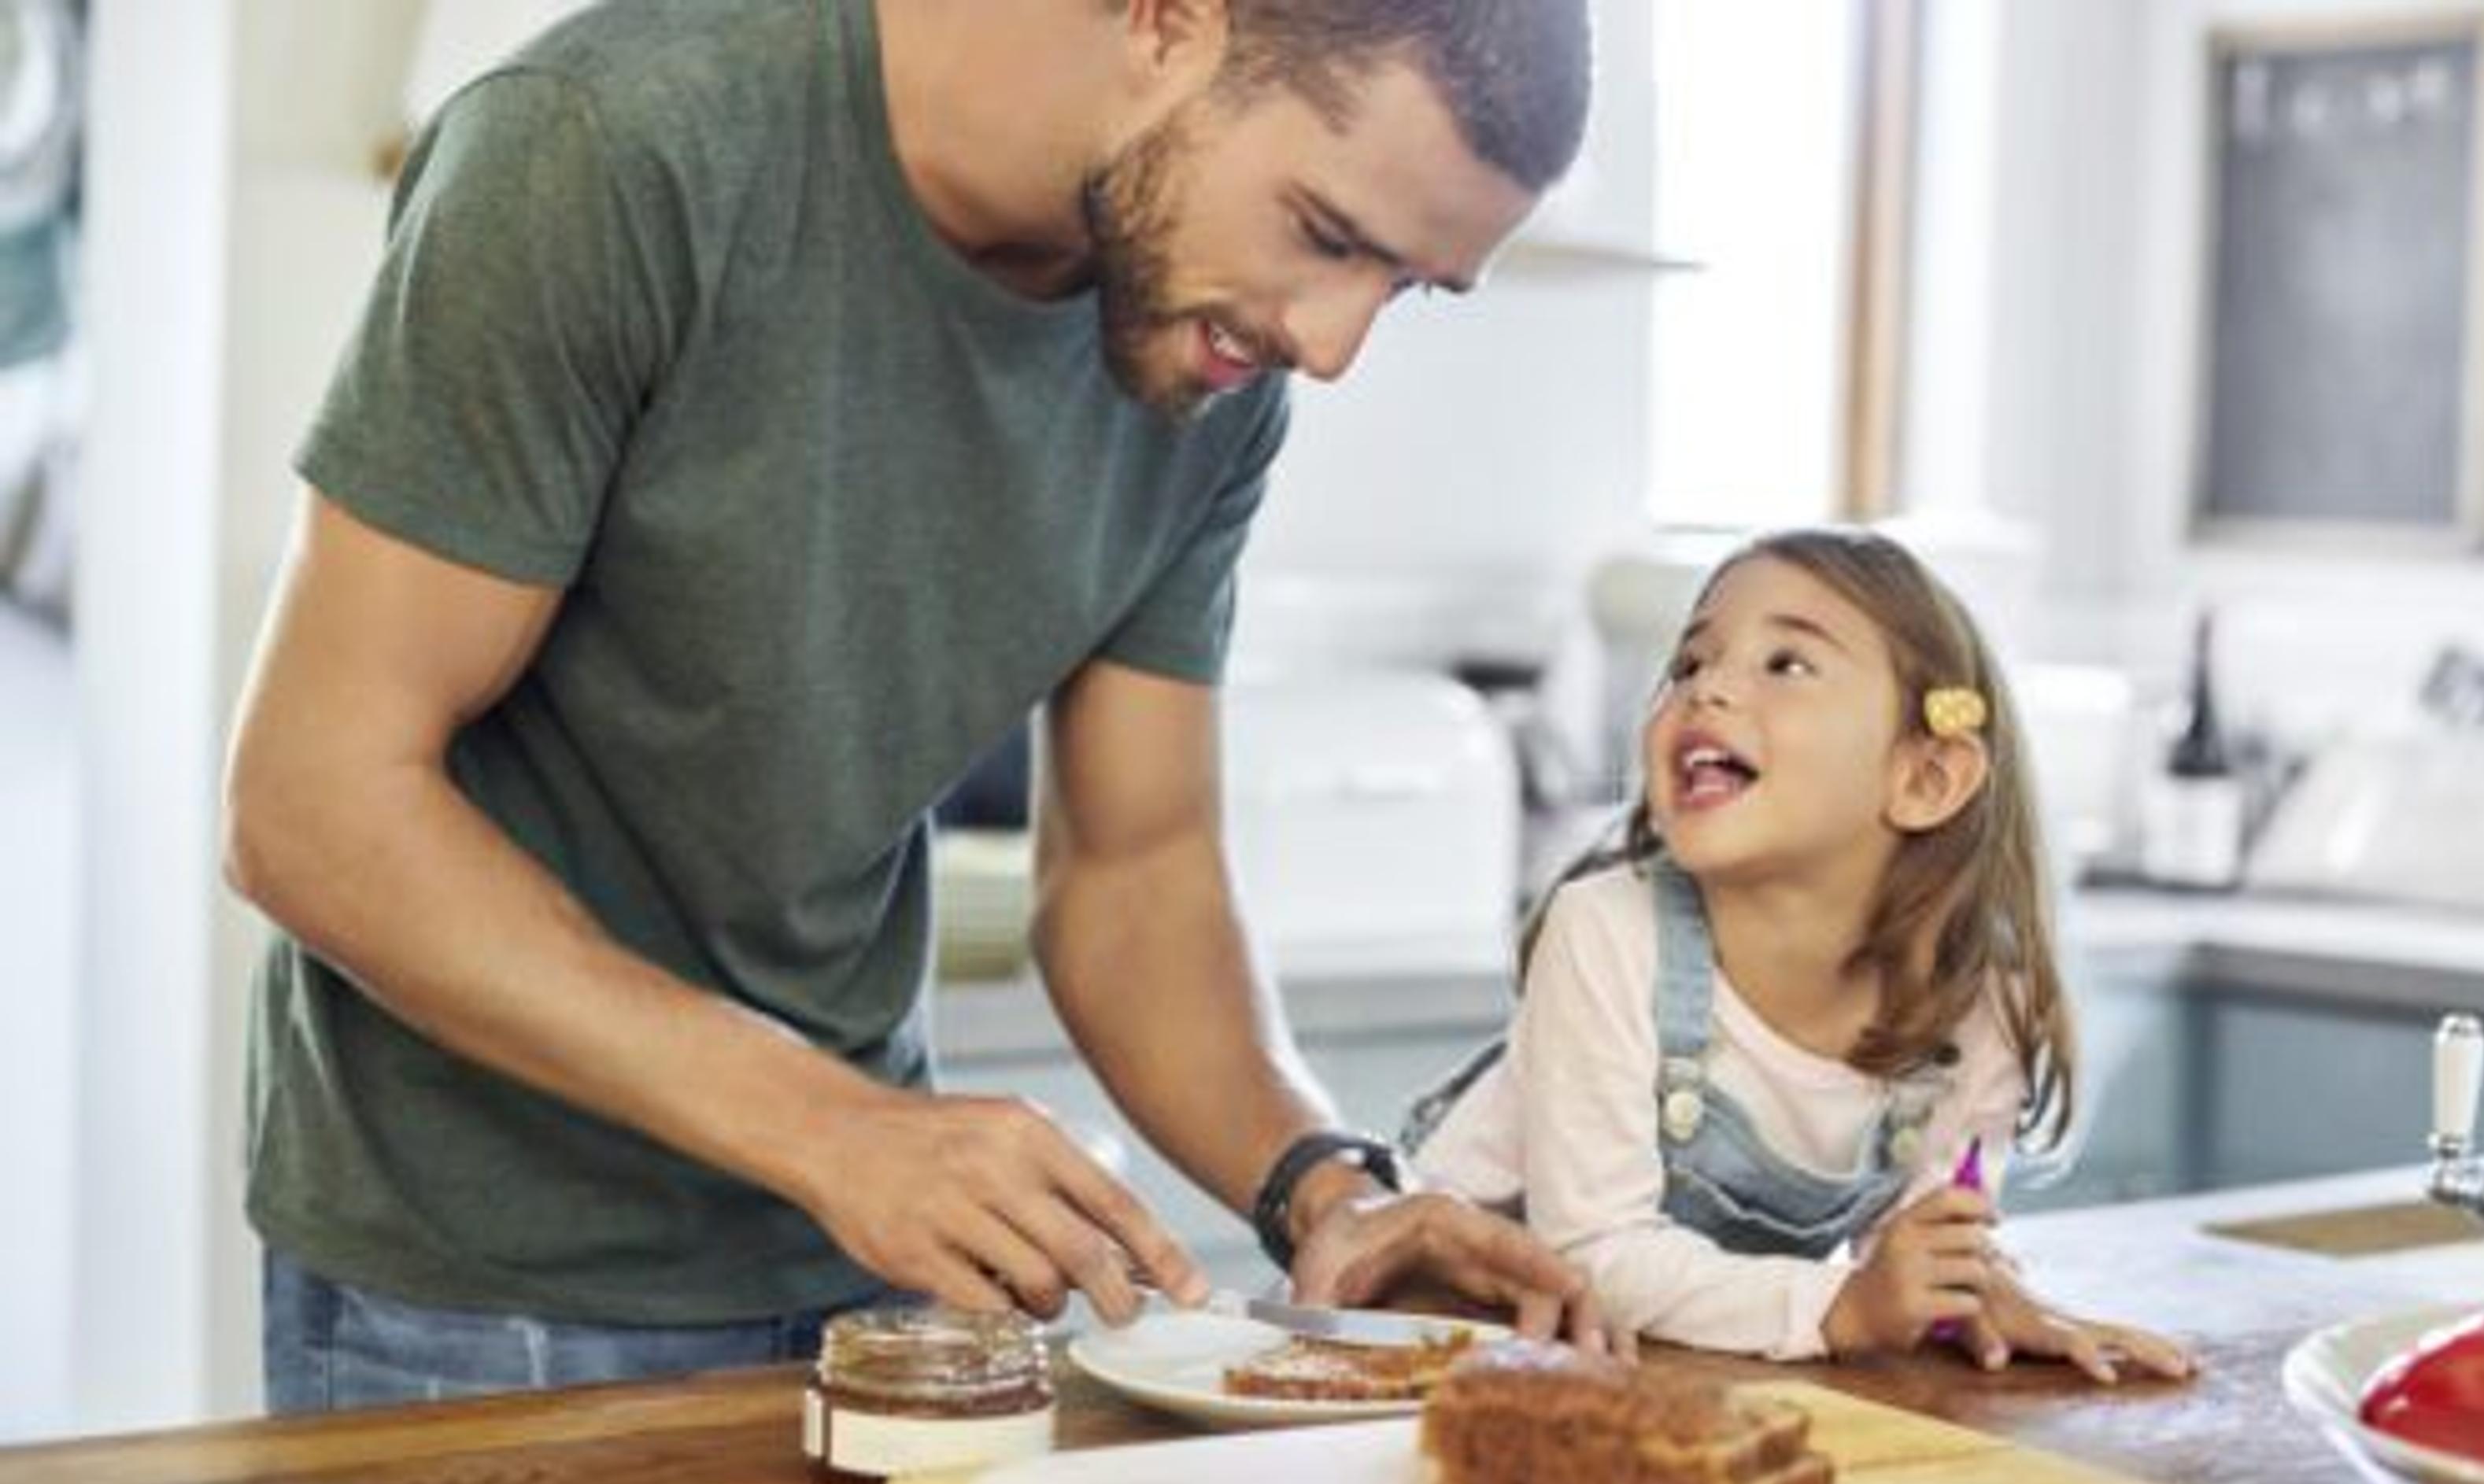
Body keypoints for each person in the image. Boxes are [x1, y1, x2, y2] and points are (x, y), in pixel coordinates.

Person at [222, 0, 1599, 1412]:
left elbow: (1138, 873)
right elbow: (312, 804)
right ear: (1169, 22)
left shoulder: (1207, 352)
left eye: (1410, 286)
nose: (1332, 344)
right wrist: (840, 1130)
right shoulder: (611, 152)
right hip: (485, 1293)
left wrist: (1324, 1185)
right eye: (1327, 232)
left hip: (870, 1277)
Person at [1404, 528, 2198, 1378]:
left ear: (1926, 778)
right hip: (1433, 1339)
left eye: (1785, 664)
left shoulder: (1975, 995)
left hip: (1650, 1370)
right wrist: (1844, 1307)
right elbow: (1597, 1254)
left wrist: (1975, 1295)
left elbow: (1921, 1239)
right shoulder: (1606, 931)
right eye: (1690, 664)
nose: (1707, 689)